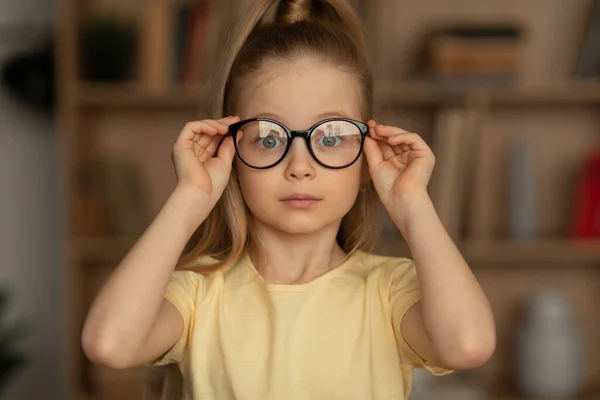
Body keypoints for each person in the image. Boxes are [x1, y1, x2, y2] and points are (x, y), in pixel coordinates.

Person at [81, 0, 496, 399]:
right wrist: (190, 198)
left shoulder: (388, 290)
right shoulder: (200, 292)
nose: (300, 166)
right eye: (269, 138)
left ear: (368, 158)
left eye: (330, 137)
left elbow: (469, 345)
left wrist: (412, 205)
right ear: (231, 153)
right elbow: (110, 344)